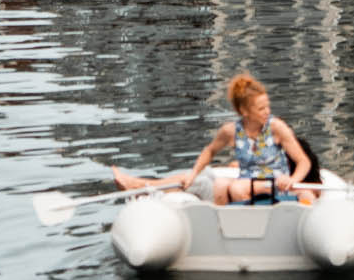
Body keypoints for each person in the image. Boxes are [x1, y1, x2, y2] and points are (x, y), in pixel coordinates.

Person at [113, 72, 316, 205]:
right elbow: (210, 151)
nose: (267, 112)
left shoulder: (276, 127)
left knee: (222, 185)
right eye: (261, 108)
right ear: (244, 111)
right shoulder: (232, 131)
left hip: (269, 184)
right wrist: (193, 172)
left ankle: (141, 186)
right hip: (249, 181)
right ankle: (143, 187)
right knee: (208, 179)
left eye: (267, 107)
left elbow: (302, 161)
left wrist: (292, 179)